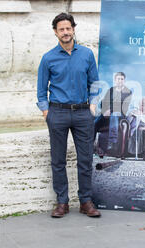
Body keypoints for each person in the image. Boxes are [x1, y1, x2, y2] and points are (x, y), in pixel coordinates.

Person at [37, 12, 101, 218]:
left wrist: (92, 107)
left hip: (83, 113)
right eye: (61, 29)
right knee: (58, 160)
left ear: (73, 29)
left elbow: (95, 84)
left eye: (68, 28)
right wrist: (47, 112)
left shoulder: (87, 54)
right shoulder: (48, 58)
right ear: (55, 32)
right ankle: (62, 202)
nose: (65, 32)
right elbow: (41, 90)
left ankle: (85, 201)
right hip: (58, 113)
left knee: (85, 159)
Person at [95, 72, 132, 155]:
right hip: (108, 112)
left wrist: (110, 110)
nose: (120, 81)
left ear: (124, 80)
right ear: (115, 80)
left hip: (120, 114)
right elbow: (103, 102)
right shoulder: (111, 90)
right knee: (94, 121)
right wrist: (105, 111)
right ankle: (90, 144)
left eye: (122, 79)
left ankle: (112, 143)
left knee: (114, 114)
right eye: (118, 79)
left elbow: (123, 107)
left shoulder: (128, 92)